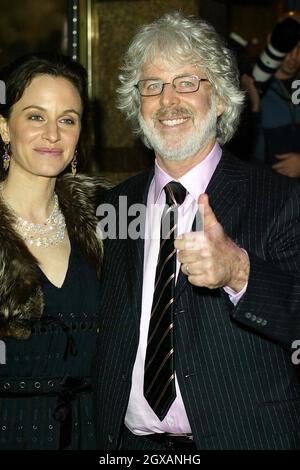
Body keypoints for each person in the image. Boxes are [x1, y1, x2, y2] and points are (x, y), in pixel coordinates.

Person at [94, 12, 300, 451]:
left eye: (187, 82)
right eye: (152, 85)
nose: (168, 100)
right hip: (128, 447)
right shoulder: (113, 206)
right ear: (138, 103)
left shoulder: (281, 199)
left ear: (221, 99)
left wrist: (240, 272)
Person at [0, 53, 107, 450]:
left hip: (95, 435)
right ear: (4, 128)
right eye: (35, 116)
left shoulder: (107, 224)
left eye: (67, 119)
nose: (53, 134)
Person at [241, 12, 300, 177]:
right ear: (273, 40)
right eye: (290, 46)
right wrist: (253, 108)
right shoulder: (250, 80)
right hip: (265, 187)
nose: (294, 56)